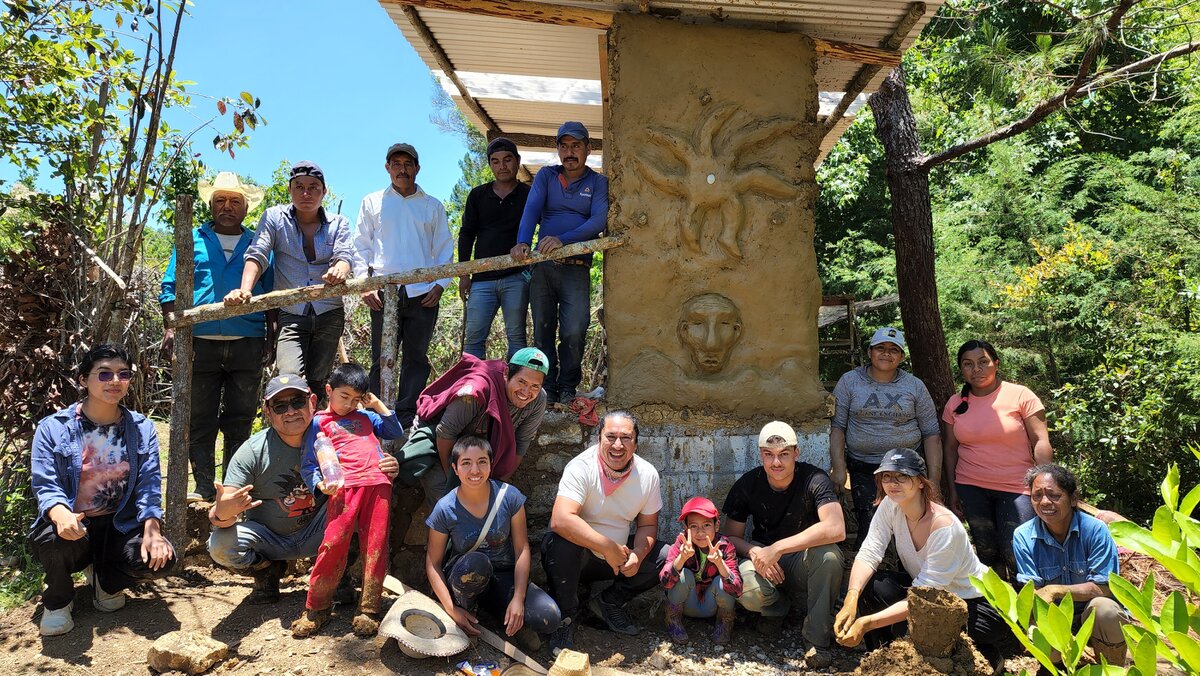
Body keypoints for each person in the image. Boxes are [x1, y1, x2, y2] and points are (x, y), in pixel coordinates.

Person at [207, 375, 399, 603]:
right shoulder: (253, 452)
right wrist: (222, 512)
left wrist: (387, 464)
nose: (290, 411)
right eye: (280, 406)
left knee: (357, 514)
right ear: (268, 412)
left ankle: (338, 578)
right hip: (270, 538)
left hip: (318, 530)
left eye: (298, 401)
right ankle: (267, 572)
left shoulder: (336, 431)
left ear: (313, 401)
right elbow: (222, 509)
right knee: (220, 544)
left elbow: (366, 458)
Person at [29, 344, 177, 636]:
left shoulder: (140, 428)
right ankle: (58, 600)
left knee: (162, 559)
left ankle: (105, 580)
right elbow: (45, 484)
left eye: (123, 374)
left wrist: (152, 529)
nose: (115, 381)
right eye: (104, 374)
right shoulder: (53, 428)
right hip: (75, 523)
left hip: (119, 524)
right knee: (52, 537)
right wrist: (60, 514)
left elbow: (148, 481)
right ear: (84, 379)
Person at [833, 448, 1018, 671]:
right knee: (873, 586)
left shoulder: (944, 527)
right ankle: (885, 661)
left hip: (976, 605)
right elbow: (870, 552)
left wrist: (866, 623)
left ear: (921, 482)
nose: (893, 483)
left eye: (902, 476)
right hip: (928, 596)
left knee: (929, 632)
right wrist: (851, 599)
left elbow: (925, 594)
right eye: (887, 476)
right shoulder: (890, 505)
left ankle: (986, 656)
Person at [160, 171, 275, 503]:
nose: (227, 207)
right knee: (200, 418)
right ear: (211, 205)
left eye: (235, 201)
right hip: (201, 343)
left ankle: (234, 486)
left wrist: (271, 334)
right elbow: (169, 287)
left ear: (245, 208)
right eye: (221, 200)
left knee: (240, 418)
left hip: (247, 342)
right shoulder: (192, 240)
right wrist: (171, 327)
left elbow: (270, 294)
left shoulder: (258, 243)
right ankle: (204, 486)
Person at [225, 161, 356, 401]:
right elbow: (258, 253)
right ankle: (284, 432)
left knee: (318, 380)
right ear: (290, 190)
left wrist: (340, 269)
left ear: (324, 191)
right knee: (288, 377)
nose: (306, 193)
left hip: (330, 311)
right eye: (299, 187)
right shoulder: (275, 217)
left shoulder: (339, 223)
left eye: (313, 187)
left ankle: (315, 436)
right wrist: (244, 290)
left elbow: (345, 256)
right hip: (290, 312)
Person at [291, 363, 404, 638]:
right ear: (329, 390)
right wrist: (319, 484)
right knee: (333, 544)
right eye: (344, 397)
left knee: (375, 546)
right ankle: (316, 608)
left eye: (356, 399)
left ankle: (369, 609)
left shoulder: (367, 417)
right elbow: (308, 464)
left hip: (378, 484)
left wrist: (377, 404)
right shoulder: (319, 421)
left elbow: (395, 431)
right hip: (344, 488)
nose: (349, 405)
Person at [541, 411, 667, 655]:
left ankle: (608, 602)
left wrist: (638, 555)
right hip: (579, 556)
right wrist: (606, 547)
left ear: (636, 442)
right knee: (558, 542)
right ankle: (564, 617)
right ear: (599, 439)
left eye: (626, 438)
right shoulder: (581, 467)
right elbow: (560, 519)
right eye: (610, 437)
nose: (618, 445)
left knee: (666, 556)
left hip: (617, 559)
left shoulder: (647, 474)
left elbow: (648, 526)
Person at [723, 421, 845, 669]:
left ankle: (816, 640)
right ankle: (777, 610)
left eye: (784, 455)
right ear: (761, 455)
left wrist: (777, 548)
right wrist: (755, 551)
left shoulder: (814, 479)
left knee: (830, 557)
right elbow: (730, 538)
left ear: (796, 453)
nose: (776, 463)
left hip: (803, 560)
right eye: (769, 455)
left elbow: (836, 528)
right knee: (743, 586)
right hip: (762, 559)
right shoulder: (748, 484)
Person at [425, 436, 561, 648]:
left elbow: (522, 548)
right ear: (455, 468)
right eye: (466, 463)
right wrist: (452, 609)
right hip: (467, 575)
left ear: (490, 465)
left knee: (549, 616)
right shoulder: (445, 508)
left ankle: (499, 615)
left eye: (482, 462)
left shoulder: (509, 497)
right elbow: (433, 564)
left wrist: (518, 599)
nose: (475, 470)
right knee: (477, 563)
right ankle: (469, 611)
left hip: (503, 576)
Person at [354, 142, 453, 430]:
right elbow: (361, 246)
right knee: (380, 356)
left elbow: (445, 248)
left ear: (417, 168)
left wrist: (441, 284)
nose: (402, 169)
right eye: (396, 164)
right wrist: (365, 284)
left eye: (408, 164)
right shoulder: (372, 202)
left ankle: (407, 415)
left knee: (416, 356)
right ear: (387, 168)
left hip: (423, 292)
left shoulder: (432, 205)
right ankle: (374, 414)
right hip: (383, 292)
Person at [512, 121, 608, 404]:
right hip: (542, 267)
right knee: (542, 328)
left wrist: (562, 240)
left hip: (576, 266)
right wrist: (522, 242)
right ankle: (547, 387)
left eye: (576, 145)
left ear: (588, 149)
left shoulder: (598, 182)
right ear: (557, 150)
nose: (569, 152)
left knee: (574, 329)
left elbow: (598, 221)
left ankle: (568, 384)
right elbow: (531, 210)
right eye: (564, 146)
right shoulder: (546, 176)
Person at [943, 339, 1052, 579]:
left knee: (1017, 549)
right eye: (968, 364)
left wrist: (1044, 484)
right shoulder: (955, 403)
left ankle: (1029, 604)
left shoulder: (1021, 395)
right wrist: (952, 490)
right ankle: (995, 607)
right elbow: (950, 449)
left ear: (996, 363)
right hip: (970, 486)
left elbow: (1041, 441)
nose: (977, 369)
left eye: (983, 362)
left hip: (1017, 487)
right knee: (986, 550)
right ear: (961, 369)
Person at [395, 347, 549, 509]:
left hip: (477, 446)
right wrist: (454, 476)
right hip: (438, 440)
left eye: (535, 386)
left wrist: (499, 483)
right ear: (506, 374)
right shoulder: (477, 390)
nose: (526, 392)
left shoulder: (538, 400)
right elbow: (445, 432)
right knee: (450, 500)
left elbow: (521, 442)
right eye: (521, 382)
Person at [829, 326, 941, 547]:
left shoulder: (914, 386)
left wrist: (934, 481)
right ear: (870, 352)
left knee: (912, 526)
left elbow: (931, 434)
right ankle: (873, 577)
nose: (886, 354)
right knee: (870, 526)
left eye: (893, 349)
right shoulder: (849, 381)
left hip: (906, 469)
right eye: (880, 348)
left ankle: (911, 576)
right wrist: (839, 468)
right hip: (864, 466)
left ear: (901, 356)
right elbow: (838, 428)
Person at [1013, 464, 1130, 667]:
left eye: (1053, 495)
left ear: (1073, 498)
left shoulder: (1095, 530)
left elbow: (1104, 587)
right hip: (1056, 616)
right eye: (1036, 496)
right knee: (1039, 633)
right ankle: (1058, 667)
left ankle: (1111, 667)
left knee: (1106, 610)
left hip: (1092, 615)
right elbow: (1034, 593)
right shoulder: (1023, 536)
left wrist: (1055, 590)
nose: (1045, 502)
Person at [459, 137, 531, 360]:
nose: (502, 166)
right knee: (474, 339)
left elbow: (546, 223)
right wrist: (464, 275)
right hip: (482, 280)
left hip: (516, 277)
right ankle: (471, 391)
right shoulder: (478, 195)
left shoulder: (529, 194)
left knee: (517, 337)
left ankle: (517, 391)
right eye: (496, 161)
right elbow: (466, 234)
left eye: (508, 160)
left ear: (517, 162)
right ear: (490, 164)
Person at [658, 497, 742, 645]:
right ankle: (674, 621)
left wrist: (720, 564)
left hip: (713, 606)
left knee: (722, 580)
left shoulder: (725, 546)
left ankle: (724, 624)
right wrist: (681, 559)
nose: (700, 532)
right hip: (686, 605)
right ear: (686, 528)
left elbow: (737, 590)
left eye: (707, 525)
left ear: (717, 526)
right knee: (684, 575)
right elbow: (665, 582)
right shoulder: (681, 543)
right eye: (693, 526)